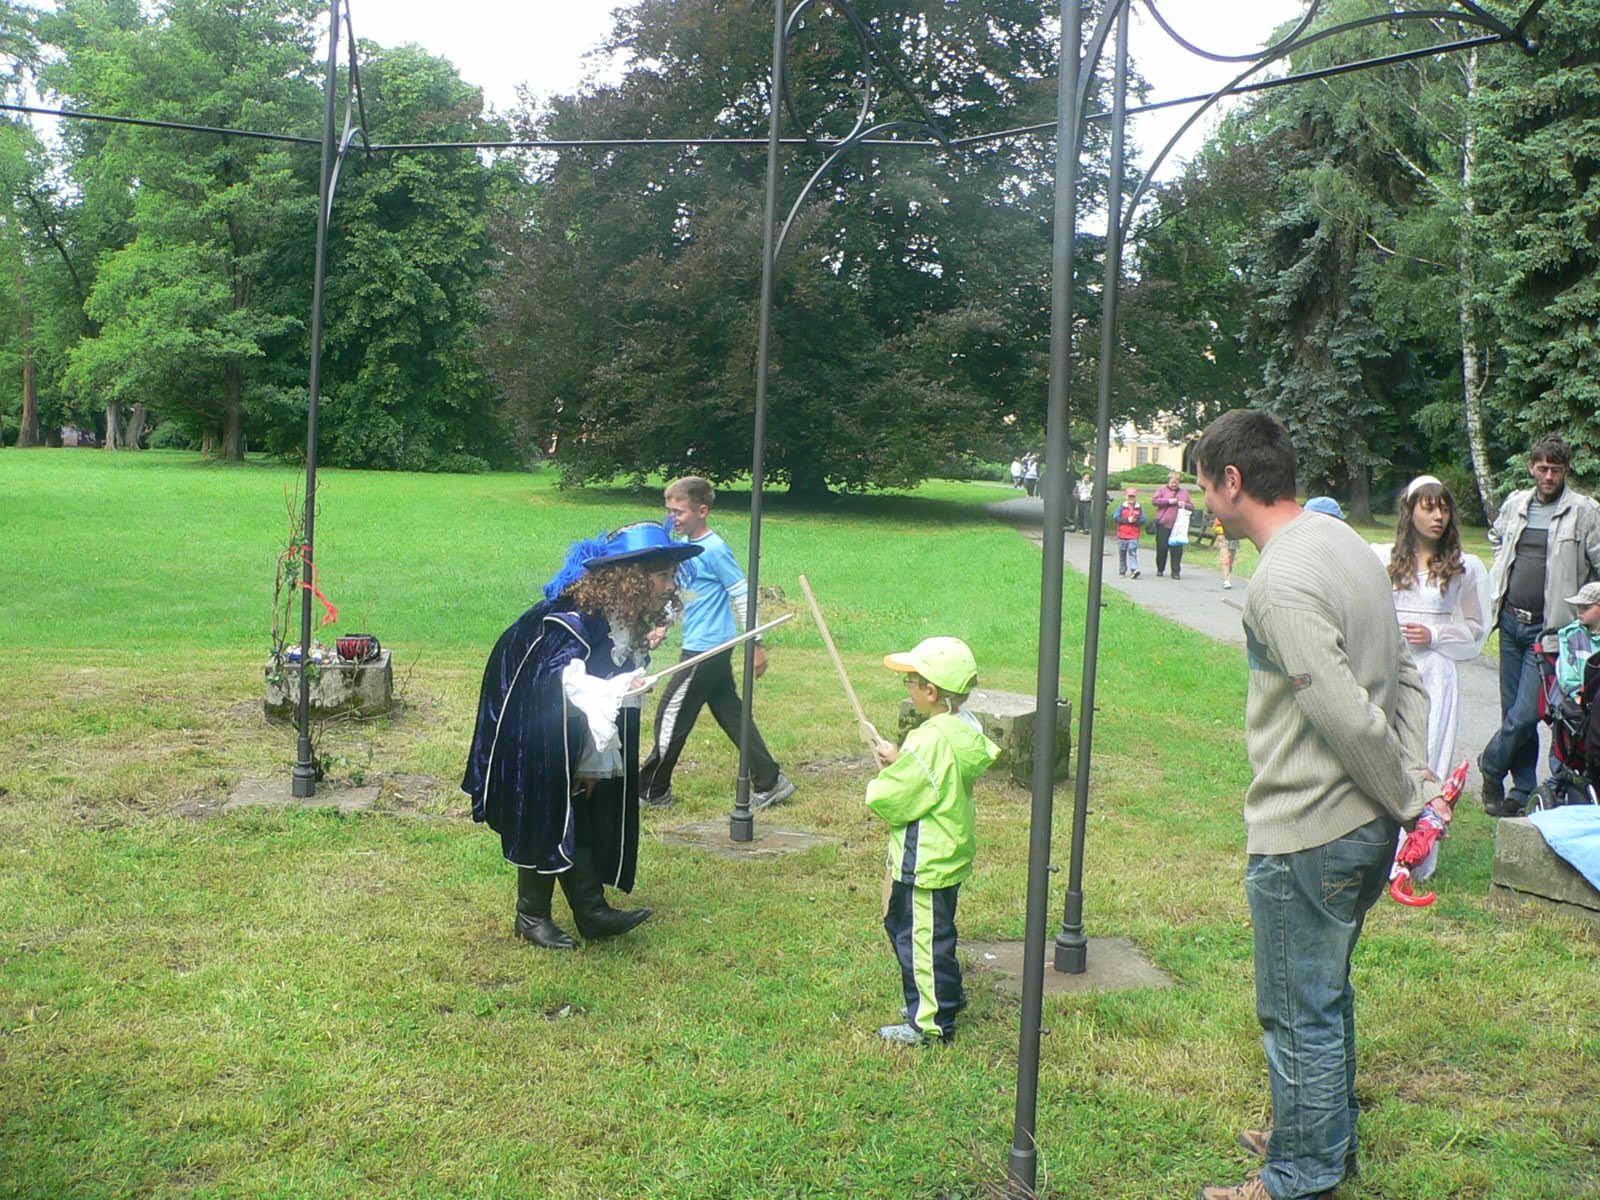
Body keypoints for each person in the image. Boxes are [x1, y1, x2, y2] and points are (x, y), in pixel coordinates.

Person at [1192, 409, 1438, 1200]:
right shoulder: (1344, 544)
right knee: (1322, 994)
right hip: (1357, 825)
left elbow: (1339, 708)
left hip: (1311, 830)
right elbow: (1404, 672)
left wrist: (1408, 794)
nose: (1202, 501)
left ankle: (1298, 1177)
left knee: (1298, 1010)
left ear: (1232, 482)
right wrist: (1406, 785)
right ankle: (1320, 1135)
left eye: (1204, 484)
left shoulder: (1282, 580)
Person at [461, 522, 699, 950]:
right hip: (535, 713)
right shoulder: (574, 620)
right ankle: (530, 915)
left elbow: (604, 680)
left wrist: (593, 757)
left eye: (670, 576)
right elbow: (564, 682)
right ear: (633, 578)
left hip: (568, 717)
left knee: (582, 801)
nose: (670, 585)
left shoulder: (622, 616)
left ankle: (590, 911)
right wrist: (611, 693)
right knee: (544, 801)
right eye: (663, 575)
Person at [866, 637, 999, 1046]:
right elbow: (931, 770)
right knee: (935, 932)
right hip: (948, 853)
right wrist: (900, 756)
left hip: (924, 861)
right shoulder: (962, 729)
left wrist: (880, 782)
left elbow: (896, 797)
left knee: (920, 941)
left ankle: (930, 1024)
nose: (907, 686)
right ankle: (948, 996)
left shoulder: (929, 740)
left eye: (911, 680)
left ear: (931, 692)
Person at [640, 477, 795, 811]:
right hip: (704, 644)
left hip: (707, 648)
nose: (673, 518)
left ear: (702, 510)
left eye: (679, 511)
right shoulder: (687, 551)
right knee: (730, 712)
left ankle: (652, 790)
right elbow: (690, 594)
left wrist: (755, 642)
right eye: (669, 511)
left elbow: (741, 594)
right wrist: (663, 626)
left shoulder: (715, 549)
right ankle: (771, 780)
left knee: (671, 713)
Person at [1374, 475, 1492, 880]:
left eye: (1443, 507)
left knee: (1429, 756)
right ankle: (1378, 848)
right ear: (1410, 512)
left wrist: (1437, 634)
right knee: (1387, 752)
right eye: (1428, 507)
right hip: (1393, 669)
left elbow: (1477, 626)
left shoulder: (1462, 566)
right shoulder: (1385, 559)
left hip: (1436, 673)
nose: (1438, 515)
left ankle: (1415, 856)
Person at [1480, 435, 1600, 816]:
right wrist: (1501, 570)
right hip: (1511, 622)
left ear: (1565, 471)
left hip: (1550, 633)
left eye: (1556, 469)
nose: (1548, 475)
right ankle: (1521, 789)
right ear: (1532, 467)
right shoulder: (1517, 503)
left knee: (1527, 713)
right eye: (1542, 468)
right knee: (1510, 711)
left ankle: (1490, 766)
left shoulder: (1584, 512)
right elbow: (1497, 537)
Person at [1554, 581, 1600, 701]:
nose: (1580, 612)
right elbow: (1567, 675)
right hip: (1581, 698)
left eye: (1586, 608)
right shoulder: (1570, 635)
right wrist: (1579, 697)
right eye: (1578, 607)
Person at [1152, 470, 1196, 579]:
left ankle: (1175, 572)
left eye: (1176, 482)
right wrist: (1168, 501)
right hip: (1163, 524)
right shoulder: (1161, 490)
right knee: (1162, 548)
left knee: (1177, 550)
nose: (1174, 484)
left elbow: (1191, 506)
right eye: (1172, 482)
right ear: (1168, 481)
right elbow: (1155, 501)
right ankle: (1160, 569)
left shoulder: (1184, 492)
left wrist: (1184, 504)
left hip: (1178, 526)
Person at [1115, 486, 1143, 579]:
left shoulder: (1139, 508)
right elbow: (1116, 517)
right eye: (1129, 496)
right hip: (1122, 534)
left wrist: (1136, 521)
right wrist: (1127, 520)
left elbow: (1143, 519)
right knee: (1122, 552)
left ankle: (1134, 569)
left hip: (1133, 534)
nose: (1131, 499)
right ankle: (1122, 570)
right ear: (1126, 497)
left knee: (1132, 551)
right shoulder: (1121, 507)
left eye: (1133, 497)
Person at [1216, 517, 1241, 591]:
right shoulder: (1223, 509)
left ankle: (1228, 577)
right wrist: (1220, 533)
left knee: (1231, 560)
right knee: (1225, 560)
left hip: (1234, 536)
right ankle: (1226, 580)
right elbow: (1217, 523)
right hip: (1224, 536)